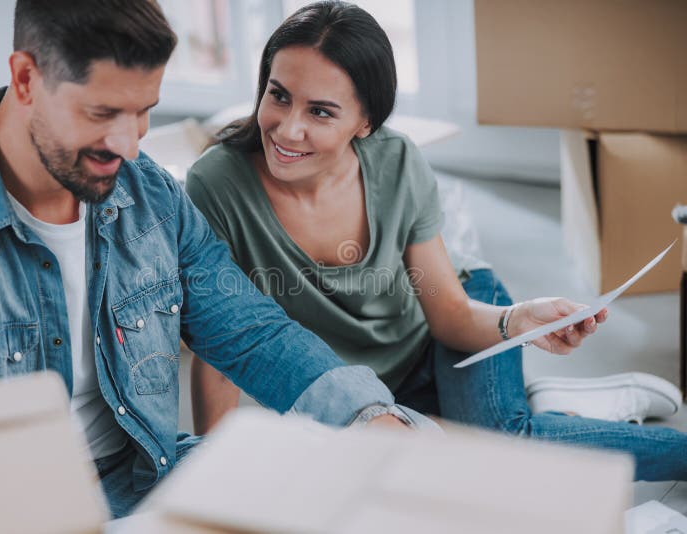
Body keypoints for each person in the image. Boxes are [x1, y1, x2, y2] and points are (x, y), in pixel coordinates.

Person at [0, 0, 435, 519]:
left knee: (381, 480)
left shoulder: (148, 192)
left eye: (143, 112)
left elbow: (248, 330)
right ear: (27, 78)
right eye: (103, 113)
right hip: (21, 507)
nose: (128, 146)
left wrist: (369, 418)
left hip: (149, 472)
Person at [186, 0, 687, 481]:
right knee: (430, 468)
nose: (287, 129)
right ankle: (552, 404)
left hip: (454, 322)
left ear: (365, 123)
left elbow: (451, 317)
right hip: (371, 389)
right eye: (278, 95)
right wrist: (214, 475)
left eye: (320, 112)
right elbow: (221, 344)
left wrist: (519, 322)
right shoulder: (218, 184)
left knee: (496, 447)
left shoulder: (397, 162)